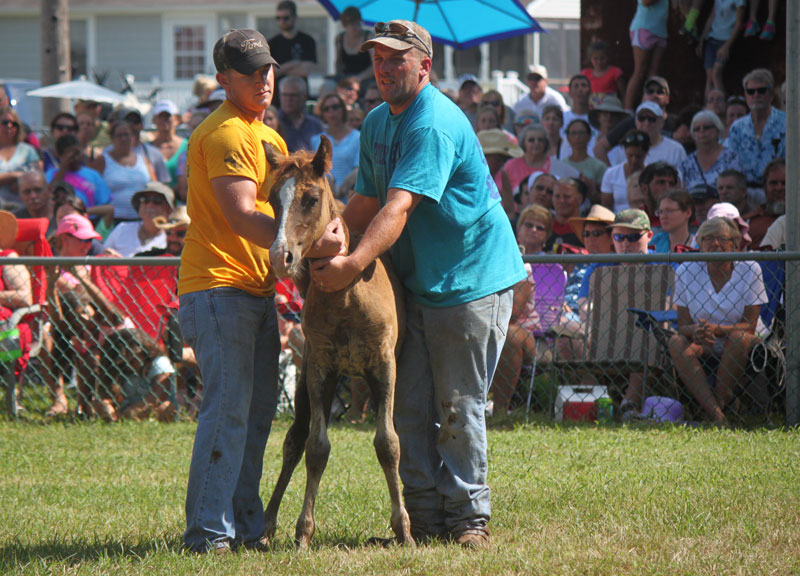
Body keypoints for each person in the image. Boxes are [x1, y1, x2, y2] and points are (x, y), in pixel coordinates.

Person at [311, 19, 526, 548]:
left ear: (425, 66)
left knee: (457, 404)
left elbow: (398, 205)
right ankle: (424, 520)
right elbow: (364, 199)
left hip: (471, 281)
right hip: (417, 284)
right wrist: (330, 231)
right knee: (407, 403)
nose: (384, 68)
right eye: (377, 59)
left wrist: (352, 262)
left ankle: (469, 520)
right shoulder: (378, 121)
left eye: (396, 59)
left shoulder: (432, 123)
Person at [179, 28, 287, 554]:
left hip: (254, 290)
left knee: (255, 414)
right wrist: (309, 245)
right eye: (247, 72)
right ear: (224, 79)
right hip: (219, 288)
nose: (262, 79)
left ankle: (245, 529)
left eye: (267, 68)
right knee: (228, 412)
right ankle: (206, 534)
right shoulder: (223, 133)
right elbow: (245, 216)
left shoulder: (268, 137)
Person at [669, 217, 767, 423]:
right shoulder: (686, 270)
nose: (715, 244)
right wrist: (695, 330)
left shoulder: (750, 269)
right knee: (676, 342)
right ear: (699, 243)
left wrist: (718, 329)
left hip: (741, 340)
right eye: (709, 238)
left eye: (723, 238)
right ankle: (717, 414)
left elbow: (750, 325)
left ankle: (719, 406)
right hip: (704, 341)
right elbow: (683, 324)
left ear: (735, 244)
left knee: (739, 338)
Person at [576, 209, 656, 420]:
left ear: (649, 236)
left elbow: (671, 305)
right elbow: (583, 304)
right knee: (569, 338)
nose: (625, 244)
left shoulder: (663, 264)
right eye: (619, 237)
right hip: (605, 331)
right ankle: (597, 400)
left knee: (643, 335)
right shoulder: (599, 266)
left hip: (647, 332)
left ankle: (629, 404)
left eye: (632, 237)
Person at [491, 204, 552, 416]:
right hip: (488, 324)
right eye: (528, 225)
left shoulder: (520, 264)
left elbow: (513, 312)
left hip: (529, 333)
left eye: (539, 227)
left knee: (509, 335)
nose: (533, 230)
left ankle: (499, 412)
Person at [726, 69, 785, 207]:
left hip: (779, 192)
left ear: (771, 94)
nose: (756, 95)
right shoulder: (737, 128)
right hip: (745, 195)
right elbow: (732, 163)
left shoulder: (787, 123)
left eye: (761, 90)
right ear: (746, 95)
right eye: (751, 91)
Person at [46, 134, 113, 224]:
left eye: (78, 153)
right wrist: (64, 167)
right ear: (60, 155)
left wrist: (79, 211)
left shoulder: (93, 175)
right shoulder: (51, 174)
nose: (76, 158)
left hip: (90, 221)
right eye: (71, 156)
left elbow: (105, 205)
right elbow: (49, 194)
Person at [103, 181, 173, 257]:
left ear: (168, 209)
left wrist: (122, 262)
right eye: (145, 200)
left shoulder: (172, 238)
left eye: (157, 201)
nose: (150, 205)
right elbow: (102, 256)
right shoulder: (122, 229)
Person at [504, 124, 578, 191]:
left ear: (546, 143)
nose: (536, 143)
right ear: (523, 143)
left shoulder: (558, 166)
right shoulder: (511, 166)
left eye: (540, 140)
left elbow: (577, 180)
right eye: (531, 140)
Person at [679, 110, 741, 191]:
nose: (701, 131)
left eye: (706, 127)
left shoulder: (731, 158)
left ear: (718, 130)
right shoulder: (687, 163)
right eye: (697, 129)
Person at [310, 92, 360, 191]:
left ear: (343, 109)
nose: (331, 112)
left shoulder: (358, 137)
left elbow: (359, 169)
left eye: (335, 107)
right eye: (326, 109)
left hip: (350, 196)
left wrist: (342, 189)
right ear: (323, 114)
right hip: (326, 197)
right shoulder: (316, 140)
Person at [625, 0, 669, 111]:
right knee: (640, 70)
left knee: (654, 72)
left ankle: (650, 108)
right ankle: (627, 110)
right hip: (644, 27)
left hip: (660, 30)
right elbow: (646, 2)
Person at [696, 0, 746, 96]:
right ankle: (708, 106)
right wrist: (702, 39)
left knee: (716, 73)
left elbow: (738, 24)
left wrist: (726, 46)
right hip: (712, 39)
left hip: (725, 40)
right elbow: (712, 17)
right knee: (709, 76)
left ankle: (722, 105)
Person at [0, 106, 42, 209]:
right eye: (5, 123)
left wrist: (21, 182)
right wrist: (15, 175)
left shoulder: (28, 150)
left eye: (14, 124)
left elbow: (37, 178)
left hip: (23, 208)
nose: (9, 126)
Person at [270, 0, 318, 86]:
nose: (282, 21)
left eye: (286, 18)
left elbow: (305, 71)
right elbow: (271, 73)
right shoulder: (272, 43)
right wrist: (294, 63)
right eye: (278, 18)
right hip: (278, 94)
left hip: (301, 92)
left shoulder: (307, 41)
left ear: (295, 17)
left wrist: (280, 70)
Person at [600, 130, 650, 212]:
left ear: (646, 153)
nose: (634, 160)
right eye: (630, 155)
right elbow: (606, 205)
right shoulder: (611, 174)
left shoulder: (652, 174)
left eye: (638, 156)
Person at [478, 129, 522, 221]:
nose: (501, 163)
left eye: (503, 159)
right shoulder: (472, 175)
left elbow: (510, 211)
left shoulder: (502, 175)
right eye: (497, 159)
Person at [563, 118, 607, 205]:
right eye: (573, 133)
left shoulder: (599, 166)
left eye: (581, 133)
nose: (577, 137)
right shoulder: (562, 165)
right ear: (568, 138)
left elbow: (606, 199)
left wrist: (592, 190)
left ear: (589, 136)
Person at [745, 158, 784, 248]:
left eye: (784, 183)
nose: (779, 188)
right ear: (765, 187)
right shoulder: (748, 224)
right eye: (773, 183)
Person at [277, 75, 323, 152]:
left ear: (304, 96)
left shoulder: (315, 124)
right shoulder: (273, 121)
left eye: (293, 95)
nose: (288, 99)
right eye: (285, 95)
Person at [148, 99, 187, 191]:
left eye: (168, 116)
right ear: (154, 120)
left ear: (176, 119)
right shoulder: (146, 149)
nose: (164, 120)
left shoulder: (188, 146)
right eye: (160, 116)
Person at [547, 177, 586, 251]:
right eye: (557, 196)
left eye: (567, 197)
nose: (561, 201)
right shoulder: (543, 226)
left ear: (579, 199)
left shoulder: (586, 230)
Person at [650, 188, 695, 252]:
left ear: (688, 212)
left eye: (669, 211)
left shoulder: (699, 244)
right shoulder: (654, 242)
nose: (663, 216)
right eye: (660, 212)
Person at [335, 6, 373, 80]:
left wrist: (358, 78)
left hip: (366, 79)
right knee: (327, 86)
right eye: (352, 24)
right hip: (346, 78)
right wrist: (338, 78)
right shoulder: (340, 38)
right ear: (345, 25)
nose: (356, 27)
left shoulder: (369, 37)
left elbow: (375, 65)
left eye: (358, 23)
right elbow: (338, 63)